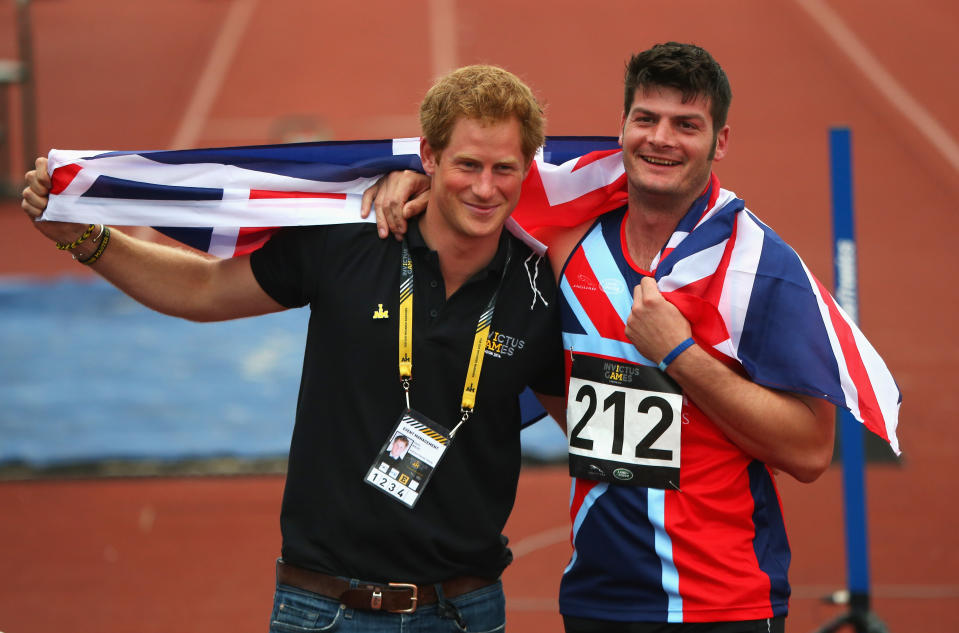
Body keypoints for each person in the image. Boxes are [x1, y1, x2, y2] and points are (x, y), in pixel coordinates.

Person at [362, 42, 891, 632]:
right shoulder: (568, 252)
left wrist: (680, 356)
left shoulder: (757, 268)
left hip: (722, 602)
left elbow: (812, 451)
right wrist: (415, 178)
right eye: (647, 119)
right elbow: (479, 195)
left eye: (686, 125)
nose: (661, 139)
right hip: (598, 597)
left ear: (719, 142)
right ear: (622, 129)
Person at [21, 65, 567, 632]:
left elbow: (588, 431)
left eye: (504, 168)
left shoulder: (543, 290)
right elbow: (203, 289)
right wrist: (85, 238)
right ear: (427, 156)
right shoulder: (349, 235)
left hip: (465, 610)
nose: (485, 188)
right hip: (324, 607)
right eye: (467, 165)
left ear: (528, 166)